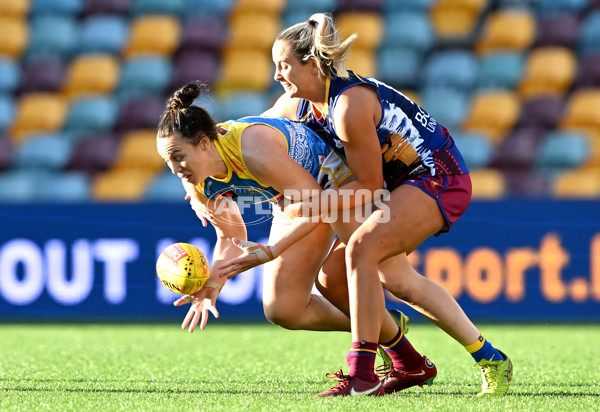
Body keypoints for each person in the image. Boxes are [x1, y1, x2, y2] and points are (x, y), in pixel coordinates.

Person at [226, 13, 513, 397]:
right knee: (338, 278)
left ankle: (362, 371)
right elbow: (246, 132)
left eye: (284, 65)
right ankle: (426, 363)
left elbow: (370, 187)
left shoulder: (348, 106)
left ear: (312, 65)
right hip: (401, 185)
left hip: (437, 177)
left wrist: (312, 202)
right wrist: (208, 167)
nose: (277, 75)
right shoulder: (302, 103)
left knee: (363, 250)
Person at [156, 81, 434, 396]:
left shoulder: (253, 149)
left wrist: (274, 250)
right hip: (295, 199)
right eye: (168, 161)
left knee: (397, 279)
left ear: (204, 143)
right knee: (283, 309)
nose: (175, 169)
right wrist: (214, 283)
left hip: (335, 184)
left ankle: (479, 352)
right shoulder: (194, 181)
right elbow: (231, 236)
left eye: (178, 157)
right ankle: (387, 330)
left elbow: (316, 204)